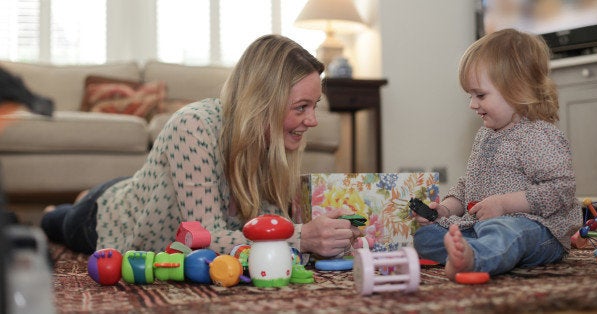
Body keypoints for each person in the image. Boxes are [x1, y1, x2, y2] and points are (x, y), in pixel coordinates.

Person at [41, 34, 361, 257]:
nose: (313, 120)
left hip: (152, 192)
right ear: (263, 103)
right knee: (57, 223)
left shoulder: (270, 141)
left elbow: (269, 227)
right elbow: (201, 239)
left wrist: (324, 229)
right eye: (301, 107)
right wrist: (303, 236)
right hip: (108, 219)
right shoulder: (194, 125)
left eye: (314, 106)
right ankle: (60, 208)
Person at [413, 28, 581, 281]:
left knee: (504, 232)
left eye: (480, 95)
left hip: (537, 229)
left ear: (518, 89)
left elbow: (561, 189)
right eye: (470, 95)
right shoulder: (486, 134)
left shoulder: (538, 135)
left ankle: (474, 259)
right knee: (424, 236)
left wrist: (504, 204)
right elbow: (469, 184)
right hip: (483, 227)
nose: (472, 104)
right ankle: (470, 252)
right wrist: (445, 211)